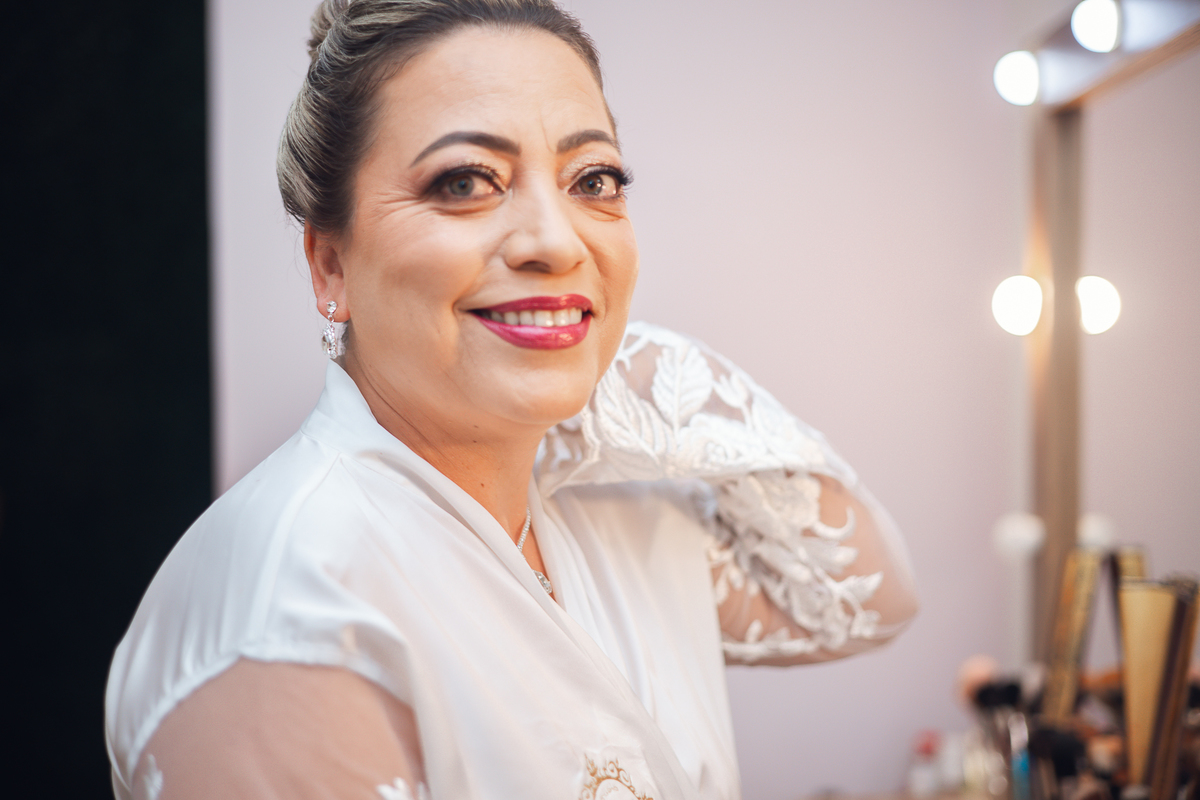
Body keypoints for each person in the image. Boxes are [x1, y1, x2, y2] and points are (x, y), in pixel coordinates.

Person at [105, 1, 919, 798]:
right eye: (466, 182)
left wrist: (624, 380)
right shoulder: (295, 618)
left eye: (593, 179)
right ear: (331, 265)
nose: (557, 242)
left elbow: (865, 598)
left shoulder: (615, 521)